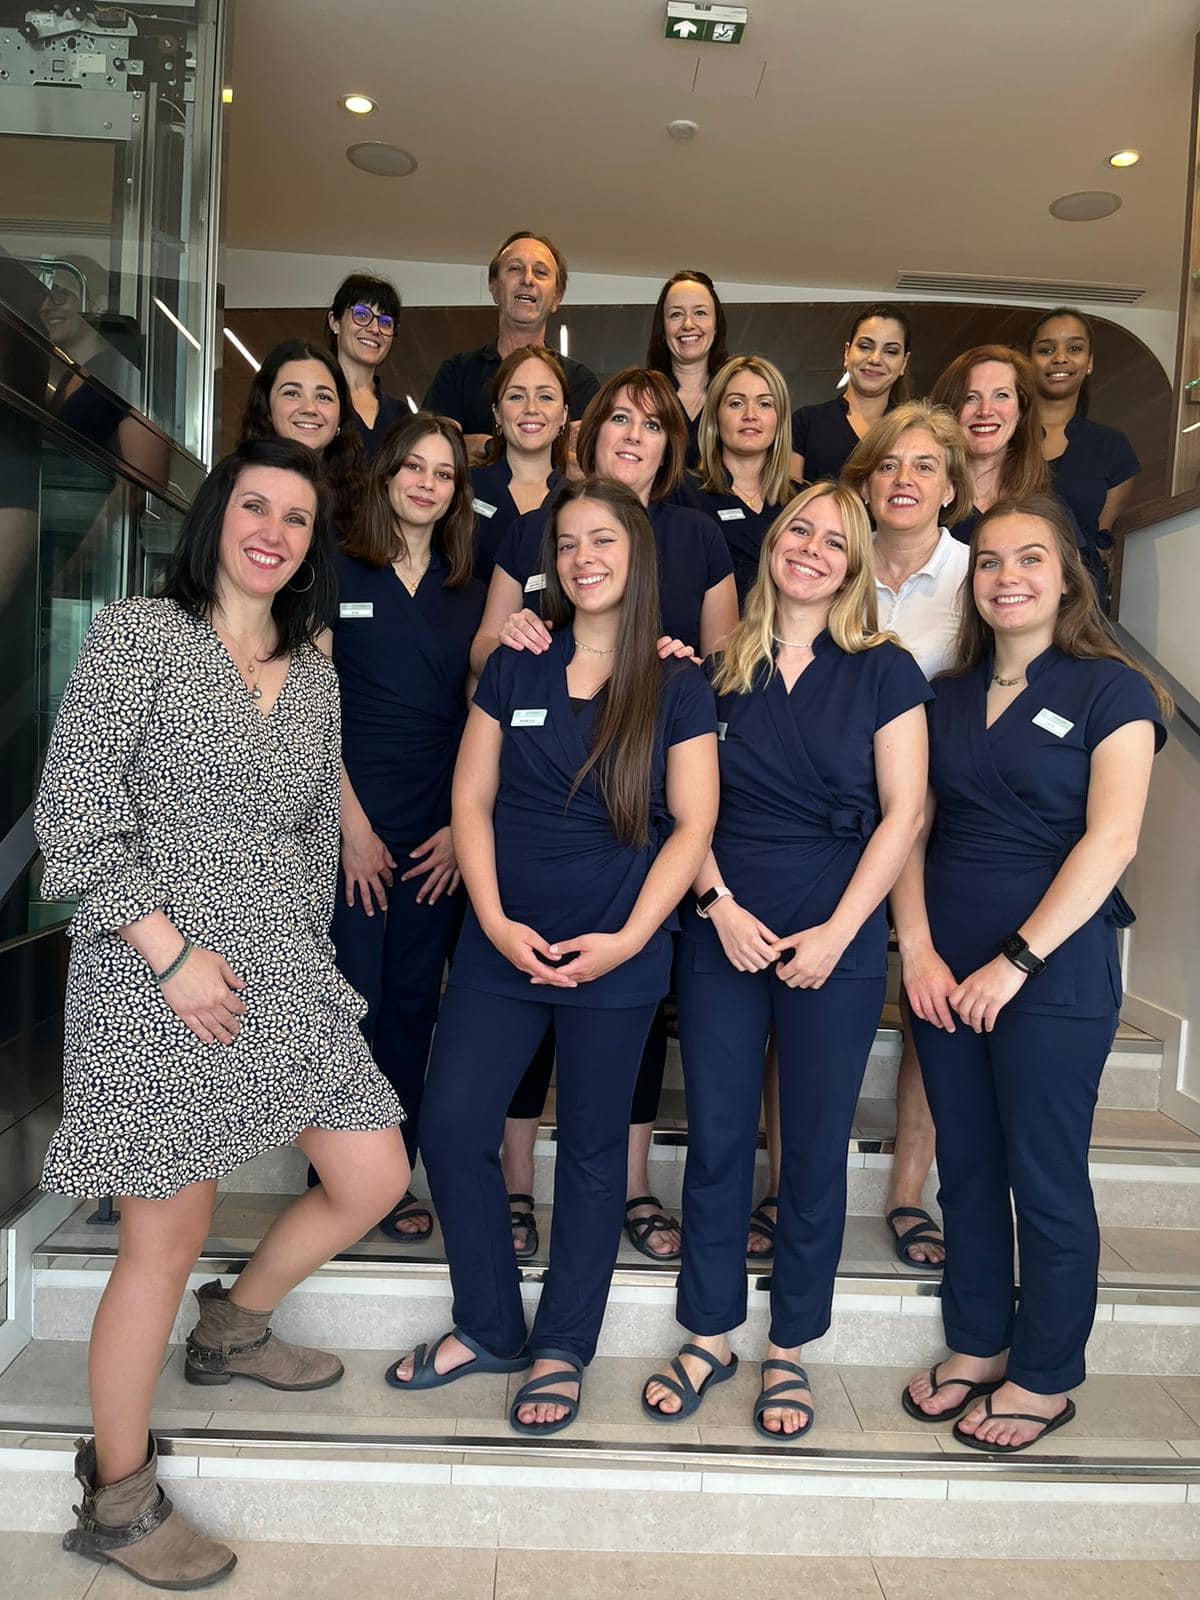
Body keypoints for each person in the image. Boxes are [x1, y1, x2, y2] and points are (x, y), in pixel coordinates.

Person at [35, 438, 409, 1590]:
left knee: (373, 1174)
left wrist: (292, 953)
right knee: (163, 1235)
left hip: (279, 966)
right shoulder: (142, 637)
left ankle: (233, 1324)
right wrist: (172, 953)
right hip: (152, 969)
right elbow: (72, 815)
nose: (275, 531)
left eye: (298, 519)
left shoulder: (319, 671)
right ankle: (118, 1495)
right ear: (219, 517)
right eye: (256, 506)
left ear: (311, 547)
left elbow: (304, 840)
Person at [386, 477, 718, 1435]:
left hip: (619, 954)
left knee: (589, 1165)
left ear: (637, 554)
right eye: (568, 543)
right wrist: (488, 919)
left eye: (603, 540)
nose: (585, 558)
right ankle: (490, 1323)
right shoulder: (516, 663)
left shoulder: (677, 681)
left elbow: (694, 825)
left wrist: (628, 939)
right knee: (451, 1130)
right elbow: (472, 801)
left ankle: (565, 1343)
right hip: (500, 946)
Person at [642, 482, 930, 1437]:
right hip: (724, 924)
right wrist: (715, 902)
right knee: (721, 1139)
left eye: (833, 539)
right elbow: (688, 810)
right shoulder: (715, 668)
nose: (810, 548)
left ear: (852, 562)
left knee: (810, 1148)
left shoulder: (886, 671)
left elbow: (906, 815)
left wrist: (844, 934)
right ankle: (711, 1331)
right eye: (797, 529)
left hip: (835, 933)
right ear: (771, 544)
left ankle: (791, 1347)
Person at [895, 494, 1168, 1452]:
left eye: (1030, 560)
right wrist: (918, 948)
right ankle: (978, 1344)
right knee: (967, 1169)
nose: (1008, 576)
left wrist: (1015, 961)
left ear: (1065, 578)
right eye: (993, 561)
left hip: (1050, 974)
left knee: (1044, 1177)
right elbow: (914, 828)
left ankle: (1045, 1374)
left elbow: (1115, 837)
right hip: (943, 972)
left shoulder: (1112, 690)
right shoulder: (948, 693)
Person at [474, 367, 738, 1259]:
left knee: (606, 1086)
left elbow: (714, 666)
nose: (635, 433)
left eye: (653, 422)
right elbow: (490, 656)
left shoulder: (694, 537)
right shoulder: (534, 553)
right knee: (500, 1069)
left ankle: (622, 1195)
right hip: (520, 883)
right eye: (619, 418)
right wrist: (517, 632)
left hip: (632, 853)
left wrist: (666, 656)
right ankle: (513, 1192)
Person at [748, 402, 973, 1267]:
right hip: (848, 811)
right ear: (865, 483)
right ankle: (783, 1185)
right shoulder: (827, 559)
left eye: (924, 467)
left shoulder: (975, 575)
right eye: (888, 466)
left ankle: (909, 1192)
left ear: (952, 486)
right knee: (789, 1008)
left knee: (927, 1006)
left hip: (946, 811)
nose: (905, 480)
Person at [327, 414, 483, 1241]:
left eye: (445, 473)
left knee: (415, 1006)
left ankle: (395, 1180)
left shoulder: (469, 581)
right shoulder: (338, 566)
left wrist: (464, 829)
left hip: (437, 826)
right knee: (351, 999)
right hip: (349, 816)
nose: (427, 483)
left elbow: (480, 713)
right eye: (413, 467)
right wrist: (350, 827)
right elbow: (306, 709)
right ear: (386, 475)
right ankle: (342, 1177)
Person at [423, 231, 600, 464]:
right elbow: (429, 448)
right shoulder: (456, 373)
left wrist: (479, 446)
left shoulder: (580, 382)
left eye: (540, 272)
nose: (528, 280)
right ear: (494, 287)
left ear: (557, 297)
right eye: (515, 269)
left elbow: (589, 464)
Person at [1027, 307, 1140, 604]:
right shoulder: (1003, 437)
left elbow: (1099, 541)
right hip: (1006, 589)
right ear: (1029, 361)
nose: (1060, 358)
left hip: (1078, 599)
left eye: (1074, 348)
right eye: (1046, 349)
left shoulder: (1112, 448)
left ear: (1089, 363)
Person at [675, 354, 796, 607]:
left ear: (780, 418)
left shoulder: (802, 500)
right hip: (708, 643)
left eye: (764, 404)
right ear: (716, 417)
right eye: (736, 404)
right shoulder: (681, 491)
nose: (750, 415)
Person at [237, 337, 367, 531]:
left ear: (340, 416)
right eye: (292, 393)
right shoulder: (233, 484)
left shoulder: (363, 503)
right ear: (266, 408)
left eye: (323, 397)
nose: (309, 408)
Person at [929, 345, 1048, 547]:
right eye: (970, 398)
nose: (985, 411)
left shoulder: (1045, 504)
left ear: (1021, 410)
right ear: (949, 410)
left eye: (1001, 395)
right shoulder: (923, 499)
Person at [470, 346, 570, 584]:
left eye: (545, 397)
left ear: (564, 415)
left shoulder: (579, 499)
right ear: (496, 412)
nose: (531, 409)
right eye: (516, 396)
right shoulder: (462, 488)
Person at [791, 306, 912, 485]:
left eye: (891, 351)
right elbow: (790, 499)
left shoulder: (912, 428)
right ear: (847, 353)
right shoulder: (806, 422)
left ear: (904, 363)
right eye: (865, 346)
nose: (875, 359)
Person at [646, 269, 730, 467]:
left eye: (700, 313)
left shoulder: (734, 393)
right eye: (676, 314)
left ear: (716, 325)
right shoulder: (645, 395)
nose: (688, 324)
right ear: (662, 328)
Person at [326, 271, 406, 459]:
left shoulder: (400, 414)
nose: (374, 329)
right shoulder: (314, 400)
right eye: (361, 315)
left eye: (386, 322)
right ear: (334, 322)